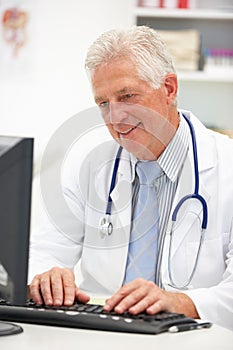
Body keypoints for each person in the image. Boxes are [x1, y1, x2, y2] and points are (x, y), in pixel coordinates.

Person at [29, 25, 233, 330]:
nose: (114, 118)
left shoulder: (226, 166)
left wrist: (181, 303)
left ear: (169, 89)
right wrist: (45, 278)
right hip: (103, 335)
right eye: (103, 104)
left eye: (127, 96)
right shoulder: (86, 163)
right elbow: (41, 253)